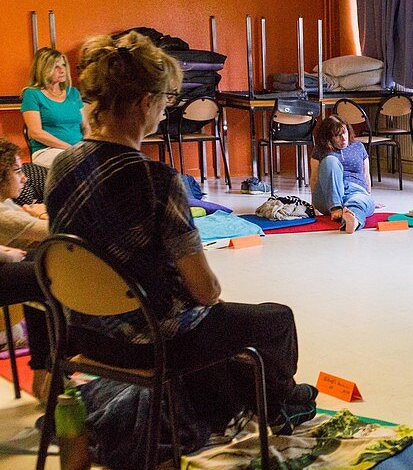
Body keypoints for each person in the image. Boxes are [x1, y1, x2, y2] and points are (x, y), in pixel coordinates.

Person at [45, 31, 314, 434]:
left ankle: (272, 399)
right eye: (166, 99)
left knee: (221, 329)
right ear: (145, 103)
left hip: (85, 336)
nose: (166, 109)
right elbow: (205, 291)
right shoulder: (159, 181)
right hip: (152, 342)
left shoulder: (61, 168)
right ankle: (278, 406)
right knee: (275, 320)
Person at [0, 138, 52, 397]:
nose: (25, 179)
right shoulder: (4, 212)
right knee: (48, 274)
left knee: (40, 263)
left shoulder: (7, 205)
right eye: (18, 171)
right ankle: (50, 372)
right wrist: (42, 214)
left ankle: (45, 373)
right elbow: (55, 229)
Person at [20, 47, 89, 169]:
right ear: (43, 69)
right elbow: (36, 133)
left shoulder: (73, 93)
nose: (62, 70)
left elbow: (85, 127)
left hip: (78, 149)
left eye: (63, 65)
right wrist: (70, 148)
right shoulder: (32, 94)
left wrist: (87, 146)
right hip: (47, 150)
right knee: (75, 164)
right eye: (56, 67)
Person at [309, 115, 376, 233]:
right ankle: (336, 208)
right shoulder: (320, 149)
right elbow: (314, 178)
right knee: (331, 160)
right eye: (337, 135)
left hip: (355, 191)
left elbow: (366, 175)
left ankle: (353, 222)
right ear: (328, 138)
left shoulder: (358, 147)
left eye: (344, 132)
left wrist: (367, 196)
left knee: (357, 203)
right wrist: (313, 206)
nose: (343, 138)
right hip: (327, 195)